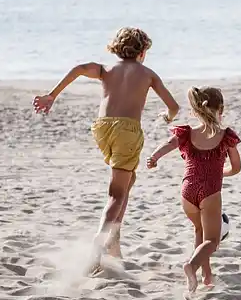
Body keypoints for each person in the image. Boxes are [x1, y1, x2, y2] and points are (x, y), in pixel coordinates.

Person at [32, 27, 179, 271]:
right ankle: (99, 242)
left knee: (128, 180)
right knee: (117, 193)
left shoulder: (106, 70)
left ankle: (114, 241)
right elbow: (173, 106)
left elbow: (79, 69)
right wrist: (167, 117)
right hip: (127, 131)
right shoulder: (149, 74)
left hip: (102, 129)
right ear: (143, 52)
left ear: (117, 49)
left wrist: (52, 95)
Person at [146, 86, 241, 293]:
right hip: (210, 192)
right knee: (212, 241)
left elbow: (167, 145)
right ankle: (191, 265)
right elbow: (236, 167)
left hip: (187, 191)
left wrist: (153, 158)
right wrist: (219, 173)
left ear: (195, 110)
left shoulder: (187, 133)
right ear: (221, 108)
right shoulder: (227, 136)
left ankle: (206, 277)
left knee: (199, 231)